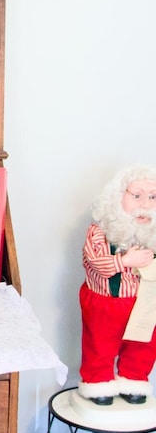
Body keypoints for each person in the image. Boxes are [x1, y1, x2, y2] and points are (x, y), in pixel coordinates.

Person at [78, 165, 156, 406]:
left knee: (143, 343)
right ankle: (97, 382)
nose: (145, 204)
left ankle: (134, 379)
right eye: (137, 196)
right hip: (106, 303)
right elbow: (95, 262)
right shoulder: (100, 231)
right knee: (100, 343)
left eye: (152, 197)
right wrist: (124, 260)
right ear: (118, 196)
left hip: (145, 302)